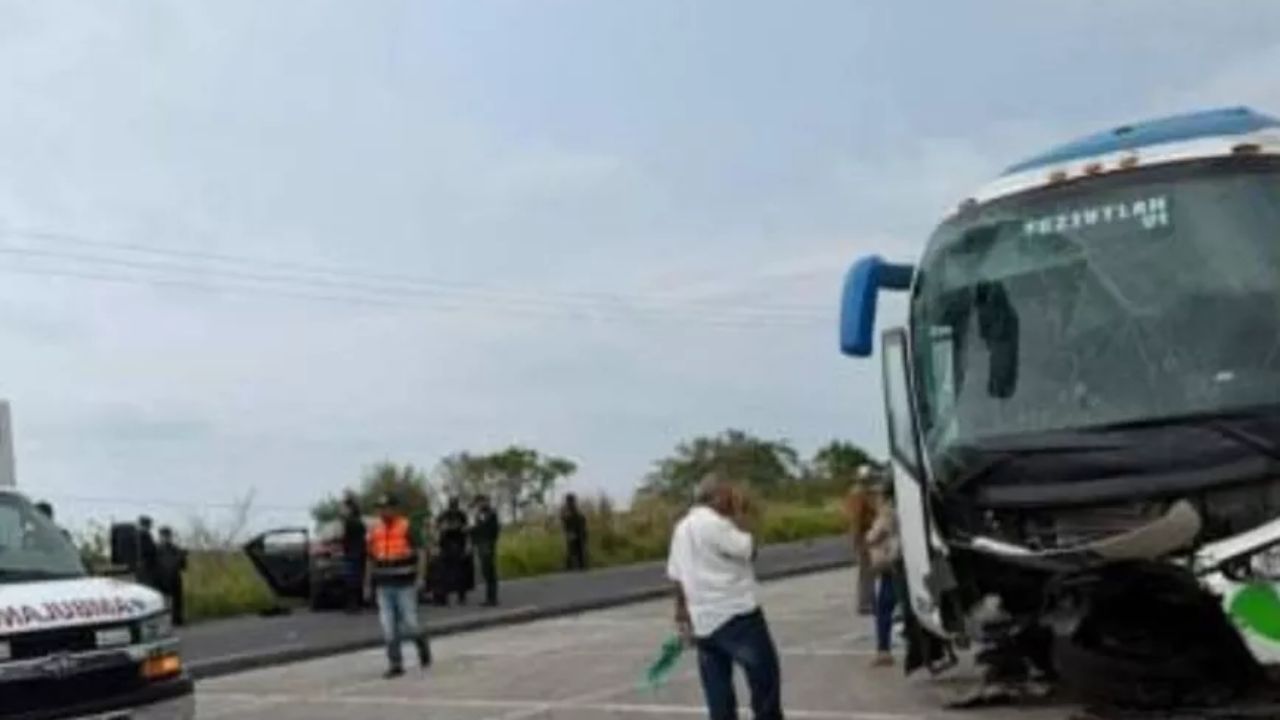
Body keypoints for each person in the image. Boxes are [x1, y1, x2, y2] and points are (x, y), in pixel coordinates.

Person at [667, 473, 783, 720]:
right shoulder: (716, 524)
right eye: (729, 495)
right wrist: (740, 515)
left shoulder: (682, 528)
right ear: (717, 497)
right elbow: (749, 549)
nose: (732, 499)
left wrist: (681, 612)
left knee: (717, 688)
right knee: (764, 678)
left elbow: (676, 575)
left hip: (702, 620)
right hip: (736, 614)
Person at [364, 493, 431, 678]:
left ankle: (421, 643)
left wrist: (421, 577)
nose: (383, 511)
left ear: (394, 509)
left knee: (411, 623)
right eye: (380, 508)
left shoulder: (406, 527)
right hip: (383, 585)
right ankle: (395, 663)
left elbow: (421, 552)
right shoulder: (375, 530)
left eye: (386, 508)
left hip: (404, 584)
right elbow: (370, 558)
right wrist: (367, 584)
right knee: (388, 626)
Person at [864, 481, 901, 667]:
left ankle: (883, 651)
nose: (875, 497)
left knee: (884, 608)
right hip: (892, 564)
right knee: (885, 607)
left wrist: (868, 535)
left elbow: (875, 536)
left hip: (891, 564)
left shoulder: (887, 512)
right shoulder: (894, 510)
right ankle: (883, 650)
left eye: (877, 494)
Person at [842, 466, 879, 616]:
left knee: (869, 571)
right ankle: (865, 603)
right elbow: (855, 519)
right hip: (863, 534)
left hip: (867, 533)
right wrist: (856, 540)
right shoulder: (858, 494)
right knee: (866, 571)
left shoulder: (866, 493)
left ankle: (869, 600)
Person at [435, 497, 471, 605]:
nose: (453, 509)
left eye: (454, 506)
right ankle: (445, 596)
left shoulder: (461, 515)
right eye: (452, 506)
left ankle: (461, 596)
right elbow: (438, 527)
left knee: (460, 572)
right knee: (446, 572)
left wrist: (467, 545)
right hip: (446, 544)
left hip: (458, 544)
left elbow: (466, 530)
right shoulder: (444, 515)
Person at [470, 494, 501, 606]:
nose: (477, 506)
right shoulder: (481, 514)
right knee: (486, 571)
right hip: (482, 544)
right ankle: (490, 598)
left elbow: (488, 529)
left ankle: (492, 598)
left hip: (486, 544)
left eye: (479, 503)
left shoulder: (489, 513)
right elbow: (478, 529)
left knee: (489, 571)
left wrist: (473, 529)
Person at [156, 527, 188, 626]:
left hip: (175, 577)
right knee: (162, 600)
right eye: (163, 536)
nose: (166, 538)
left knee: (177, 599)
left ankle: (177, 619)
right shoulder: (157, 550)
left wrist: (183, 557)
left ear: (170, 537)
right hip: (162, 577)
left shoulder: (175, 549)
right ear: (160, 537)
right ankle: (163, 620)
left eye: (167, 536)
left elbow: (183, 566)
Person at [340, 493, 367, 613]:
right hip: (358, 552)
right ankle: (356, 604)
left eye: (344, 508)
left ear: (349, 509)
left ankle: (353, 605)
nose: (342, 510)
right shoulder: (358, 521)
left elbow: (346, 538)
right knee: (356, 578)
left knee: (351, 579)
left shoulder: (350, 522)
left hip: (353, 553)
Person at [561, 494, 588, 571]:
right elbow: (565, 520)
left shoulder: (572, 510)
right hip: (576, 531)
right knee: (575, 549)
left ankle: (577, 565)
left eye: (569, 500)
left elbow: (580, 520)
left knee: (575, 549)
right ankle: (578, 565)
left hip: (576, 531)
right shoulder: (571, 509)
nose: (569, 502)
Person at [137, 516, 160, 589]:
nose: (149, 528)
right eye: (149, 525)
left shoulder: (137, 535)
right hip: (146, 566)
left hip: (140, 566)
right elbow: (150, 550)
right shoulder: (144, 535)